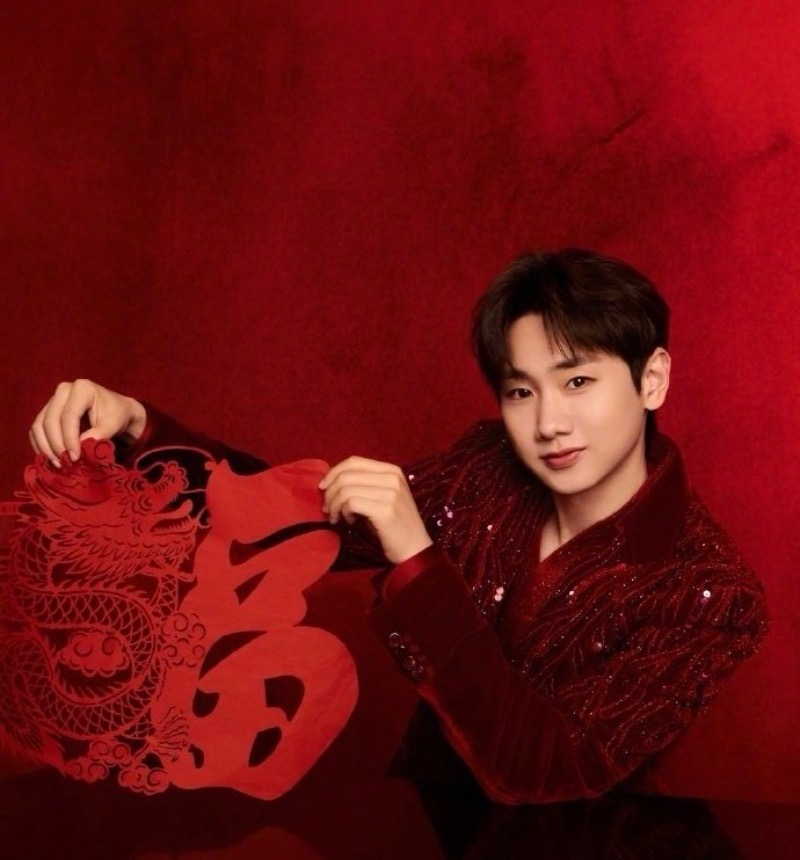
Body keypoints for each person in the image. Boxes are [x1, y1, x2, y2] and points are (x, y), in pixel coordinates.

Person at [29, 249, 769, 804]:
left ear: (651, 379)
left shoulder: (712, 594)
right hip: (417, 821)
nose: (549, 422)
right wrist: (138, 428)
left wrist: (418, 554)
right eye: (521, 391)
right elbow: (290, 522)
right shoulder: (487, 467)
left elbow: (543, 770)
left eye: (578, 381)